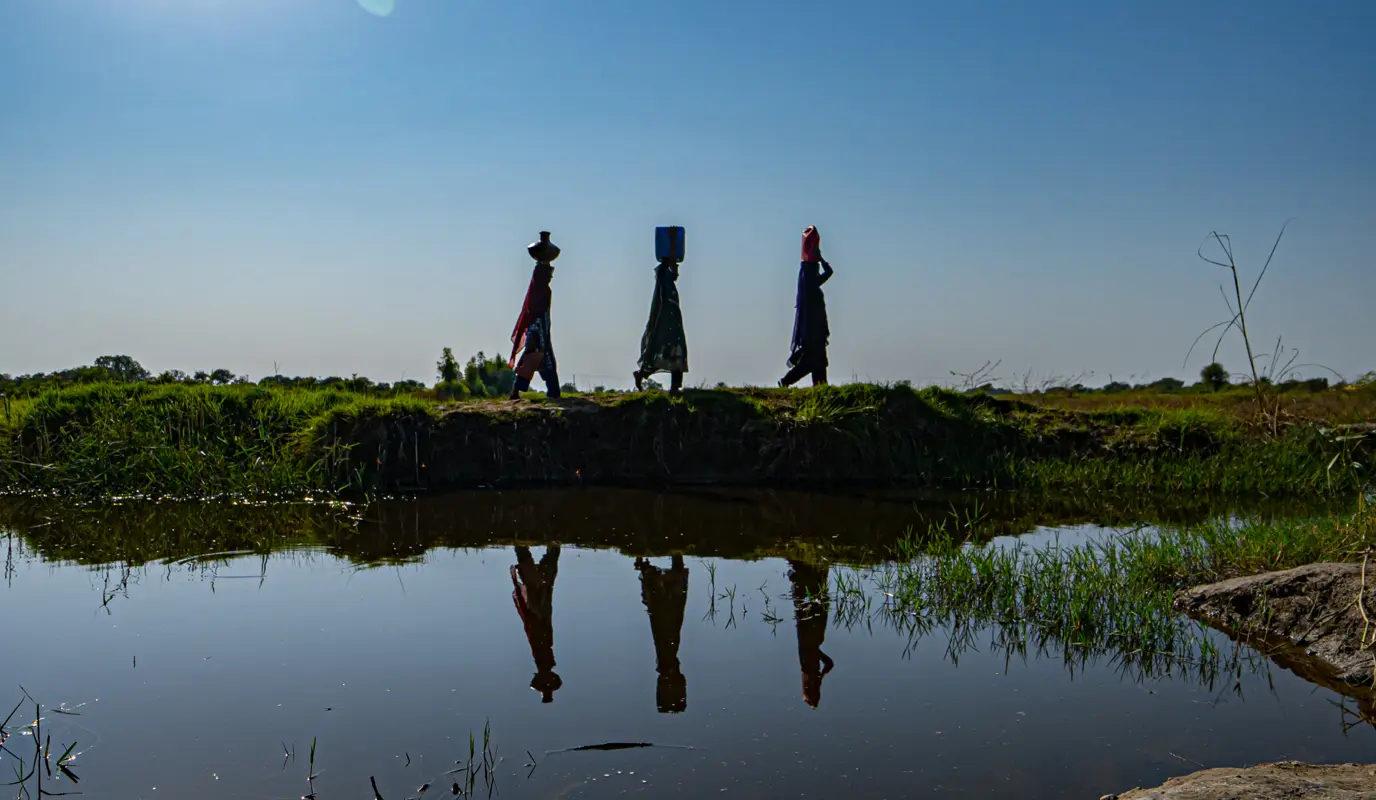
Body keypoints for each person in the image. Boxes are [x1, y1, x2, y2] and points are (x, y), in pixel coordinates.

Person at [508, 232, 562, 400]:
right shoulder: (541, 290)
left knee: (534, 361)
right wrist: (538, 334)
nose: (551, 276)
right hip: (539, 332)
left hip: (540, 331)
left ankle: (518, 391)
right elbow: (538, 314)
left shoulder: (540, 288)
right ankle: (552, 393)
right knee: (541, 362)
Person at [779, 225, 834, 388]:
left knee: (818, 362)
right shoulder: (810, 279)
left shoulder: (807, 279)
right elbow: (829, 272)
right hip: (813, 330)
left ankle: (820, 387)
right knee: (813, 362)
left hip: (814, 329)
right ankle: (786, 381)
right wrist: (821, 258)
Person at [634, 555, 689, 713]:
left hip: (666, 655)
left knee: (666, 629)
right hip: (666, 655)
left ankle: (657, 576)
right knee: (667, 630)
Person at [511, 545, 562, 702]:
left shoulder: (541, 658)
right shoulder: (544, 658)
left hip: (538, 621)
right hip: (543, 622)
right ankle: (549, 550)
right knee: (543, 588)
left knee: (537, 588)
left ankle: (524, 550)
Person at [633, 256, 689, 392]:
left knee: (676, 350)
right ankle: (643, 374)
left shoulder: (667, 280)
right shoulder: (664, 278)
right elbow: (662, 303)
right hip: (666, 320)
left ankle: (675, 386)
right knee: (663, 349)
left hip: (673, 319)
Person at [787, 558, 834, 709]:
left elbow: (828, 663)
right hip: (812, 629)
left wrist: (820, 678)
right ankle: (809, 567)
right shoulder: (808, 661)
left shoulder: (807, 664)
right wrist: (820, 678)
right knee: (815, 595)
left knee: (810, 596)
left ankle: (805, 567)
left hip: (810, 628)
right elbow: (828, 663)